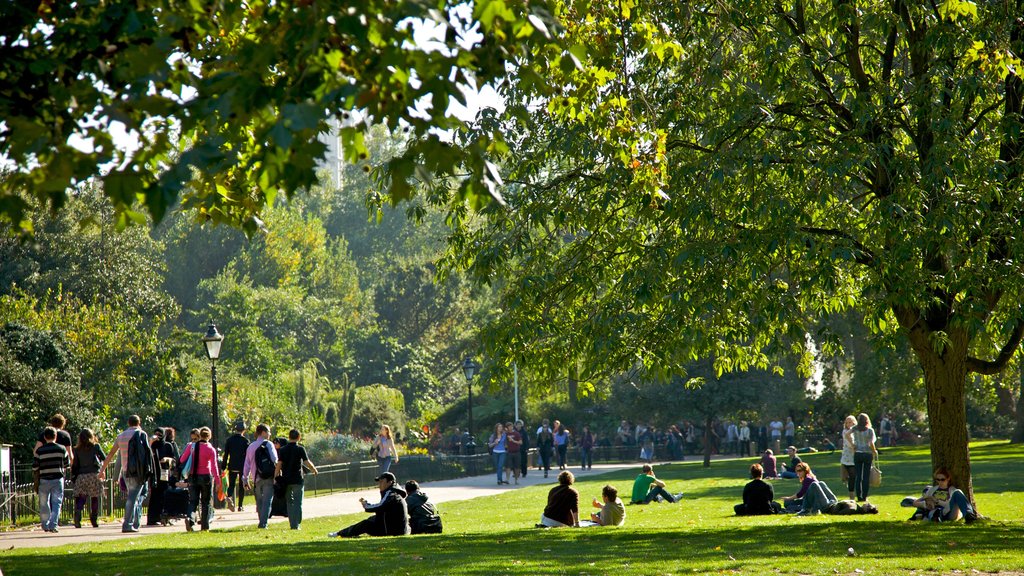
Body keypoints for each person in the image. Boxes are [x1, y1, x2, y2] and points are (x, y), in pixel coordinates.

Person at [99, 414, 152, 533]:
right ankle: (127, 524)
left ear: (128, 423)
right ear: (139, 423)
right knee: (133, 498)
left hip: (125, 471)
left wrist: (102, 470)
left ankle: (135, 523)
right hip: (138, 472)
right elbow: (147, 454)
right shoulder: (142, 434)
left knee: (135, 497)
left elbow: (111, 454)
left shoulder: (121, 436)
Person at [329, 471, 410, 537]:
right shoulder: (395, 493)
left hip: (391, 532)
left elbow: (380, 506)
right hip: (399, 530)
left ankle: (339, 533)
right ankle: (345, 533)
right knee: (373, 518)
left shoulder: (391, 493)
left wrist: (366, 505)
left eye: (382, 482)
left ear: (390, 482)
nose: (379, 485)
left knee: (365, 524)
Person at [178, 426, 222, 531]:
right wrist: (218, 481)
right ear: (209, 436)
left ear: (199, 435)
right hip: (206, 477)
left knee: (193, 501)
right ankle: (204, 526)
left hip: (193, 477)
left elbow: (182, 458)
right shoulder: (210, 449)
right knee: (205, 502)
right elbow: (214, 466)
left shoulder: (192, 446)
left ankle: (190, 519)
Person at [901, 467, 978, 524]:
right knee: (926, 492)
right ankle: (925, 516)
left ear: (948, 479)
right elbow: (915, 503)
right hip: (936, 512)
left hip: (949, 512)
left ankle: (969, 515)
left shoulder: (952, 490)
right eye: (938, 479)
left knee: (958, 492)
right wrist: (926, 503)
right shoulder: (933, 489)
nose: (940, 481)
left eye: (942, 479)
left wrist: (937, 501)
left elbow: (949, 505)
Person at [275, 428, 318, 529]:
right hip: (298, 479)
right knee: (298, 502)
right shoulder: (300, 449)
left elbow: (279, 464)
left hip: (286, 480)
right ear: (299, 437)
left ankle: (292, 523)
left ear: (289, 437)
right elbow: (306, 462)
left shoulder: (283, 450)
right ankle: (297, 524)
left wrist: (275, 476)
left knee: (290, 502)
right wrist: (314, 470)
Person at [33, 426, 70, 533]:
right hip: (58, 478)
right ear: (56, 436)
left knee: (44, 503)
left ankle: (45, 525)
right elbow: (66, 464)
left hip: (44, 479)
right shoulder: (62, 448)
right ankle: (53, 525)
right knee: (57, 502)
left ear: (45, 437)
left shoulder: (40, 451)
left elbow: (35, 466)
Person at [243, 423, 278, 529]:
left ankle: (261, 521)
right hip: (268, 477)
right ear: (263, 432)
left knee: (259, 501)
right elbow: (274, 460)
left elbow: (247, 465)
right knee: (267, 500)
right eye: (268, 431)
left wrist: (245, 479)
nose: (270, 434)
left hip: (256, 478)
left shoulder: (250, 447)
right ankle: (263, 523)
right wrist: (277, 474)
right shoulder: (269, 444)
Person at [71, 428, 105, 528]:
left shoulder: (76, 449)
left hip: (82, 476)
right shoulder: (96, 446)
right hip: (94, 475)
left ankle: (77, 517)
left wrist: (74, 477)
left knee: (81, 498)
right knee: (95, 498)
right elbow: (104, 458)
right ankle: (94, 519)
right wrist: (102, 470)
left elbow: (75, 465)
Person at [146, 427, 178, 526]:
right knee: (154, 496)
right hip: (154, 474)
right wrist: (151, 442)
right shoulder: (152, 445)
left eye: (160, 434)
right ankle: (152, 518)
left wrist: (167, 459)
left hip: (164, 473)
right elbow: (146, 455)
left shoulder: (168, 445)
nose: (158, 436)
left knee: (165, 495)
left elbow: (174, 460)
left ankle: (164, 516)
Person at [222, 421, 250, 512]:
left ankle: (229, 497)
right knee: (241, 485)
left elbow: (226, 454)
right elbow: (248, 455)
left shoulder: (229, 440)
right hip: (242, 466)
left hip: (232, 465)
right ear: (244, 430)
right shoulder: (245, 441)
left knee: (232, 484)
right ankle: (240, 506)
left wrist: (223, 466)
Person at [852, 412, 878, 502]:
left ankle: (858, 496)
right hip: (867, 454)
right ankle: (864, 496)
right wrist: (874, 451)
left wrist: (853, 445)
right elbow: (871, 443)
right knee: (866, 476)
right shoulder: (870, 430)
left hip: (858, 453)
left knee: (858, 476)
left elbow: (847, 434)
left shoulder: (855, 429)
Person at [840, 415, 857, 500]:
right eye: (847, 422)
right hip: (848, 457)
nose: (848, 424)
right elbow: (849, 444)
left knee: (856, 476)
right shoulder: (845, 432)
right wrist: (855, 446)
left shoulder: (856, 431)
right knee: (852, 476)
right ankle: (851, 495)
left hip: (855, 455)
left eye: (850, 422)